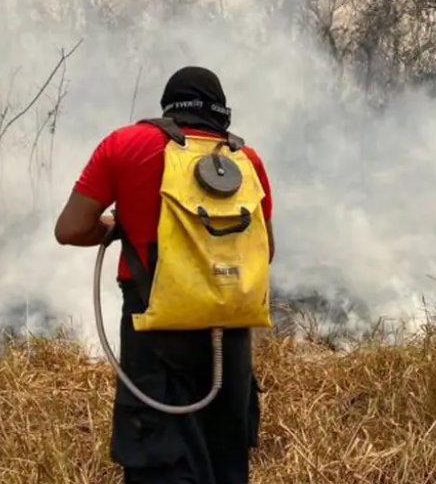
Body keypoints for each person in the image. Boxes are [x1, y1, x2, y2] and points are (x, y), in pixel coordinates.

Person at [53, 66, 273, 484]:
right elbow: (267, 250)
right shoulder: (246, 160)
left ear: (168, 108)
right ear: (221, 112)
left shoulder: (126, 145)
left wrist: (118, 226)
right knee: (226, 458)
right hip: (230, 333)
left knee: (160, 459)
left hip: (155, 328)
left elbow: (70, 229)